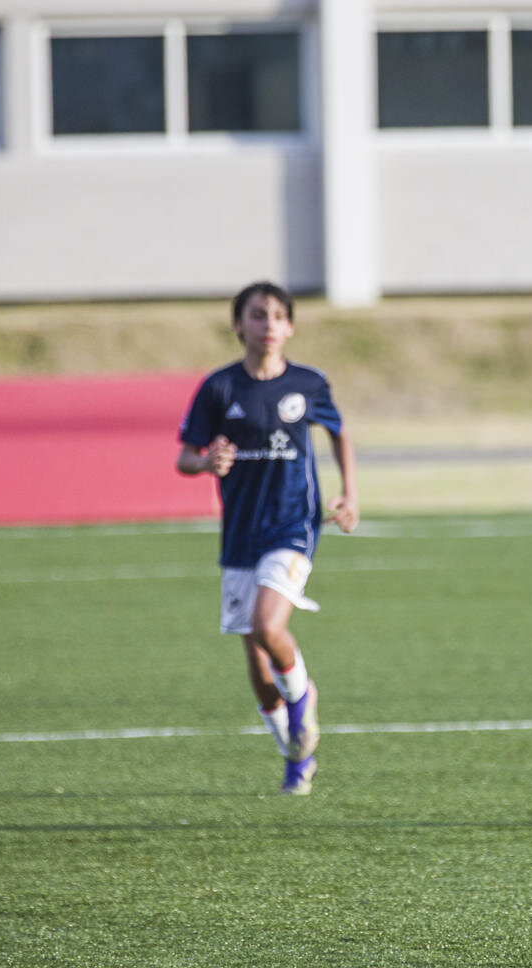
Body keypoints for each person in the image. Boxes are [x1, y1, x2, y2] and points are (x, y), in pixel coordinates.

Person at [177, 281, 359, 795]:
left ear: (291, 326)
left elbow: (339, 432)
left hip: (292, 526)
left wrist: (350, 494)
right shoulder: (219, 388)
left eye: (278, 315)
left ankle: (303, 700)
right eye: (258, 315)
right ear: (239, 325)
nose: (269, 324)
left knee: (267, 625)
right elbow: (185, 457)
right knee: (258, 668)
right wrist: (207, 463)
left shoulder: (307, 383)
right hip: (241, 533)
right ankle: (296, 757)